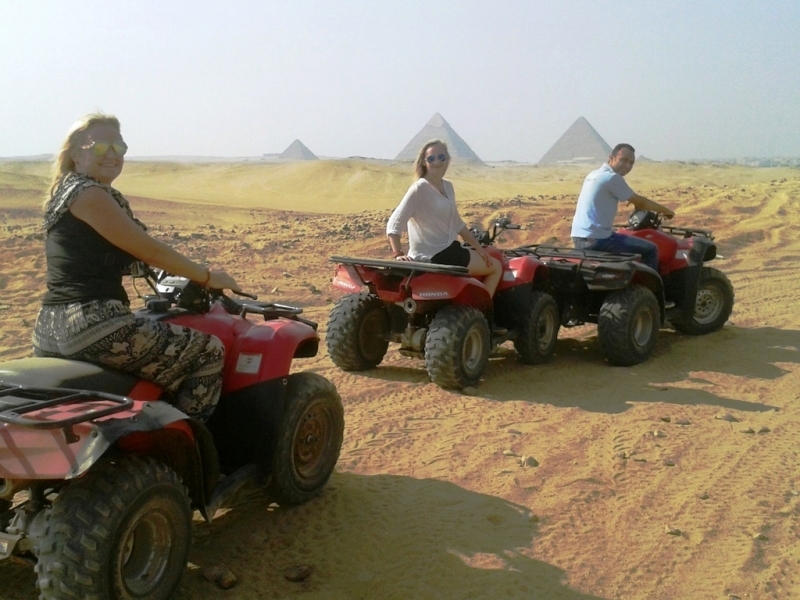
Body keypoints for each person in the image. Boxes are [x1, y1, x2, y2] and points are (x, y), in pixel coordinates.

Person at [32, 112, 241, 422]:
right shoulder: (89, 194)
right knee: (208, 350)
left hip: (48, 328)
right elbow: (148, 249)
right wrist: (207, 276)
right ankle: (190, 452)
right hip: (91, 324)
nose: (112, 154)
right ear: (76, 154)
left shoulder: (65, 192)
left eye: (120, 147)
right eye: (100, 147)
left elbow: (119, 256)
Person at [386, 140, 502, 297]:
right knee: (496, 267)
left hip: (451, 250)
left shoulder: (448, 187)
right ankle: (483, 308)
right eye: (431, 158)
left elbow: (458, 224)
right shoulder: (419, 188)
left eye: (441, 157)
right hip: (439, 254)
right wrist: (398, 254)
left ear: (448, 160)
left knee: (485, 260)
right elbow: (394, 224)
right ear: (424, 162)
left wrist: (480, 250)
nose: (437, 162)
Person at [570, 143, 675, 272]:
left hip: (579, 237)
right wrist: (666, 211)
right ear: (611, 158)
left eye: (631, 163)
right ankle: (649, 290)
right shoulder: (612, 178)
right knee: (650, 249)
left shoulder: (593, 174)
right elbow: (641, 202)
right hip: (598, 239)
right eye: (624, 160)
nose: (628, 165)